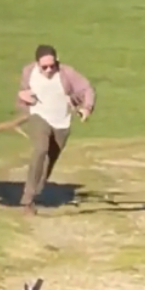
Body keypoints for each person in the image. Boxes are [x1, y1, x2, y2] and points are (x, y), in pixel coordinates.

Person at [16, 44, 96, 215]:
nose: (49, 70)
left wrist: (86, 108)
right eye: (44, 67)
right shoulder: (28, 72)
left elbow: (86, 88)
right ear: (37, 64)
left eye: (52, 66)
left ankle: (37, 190)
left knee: (49, 161)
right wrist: (22, 96)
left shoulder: (67, 73)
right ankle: (27, 199)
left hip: (61, 122)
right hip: (39, 116)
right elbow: (24, 93)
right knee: (40, 149)